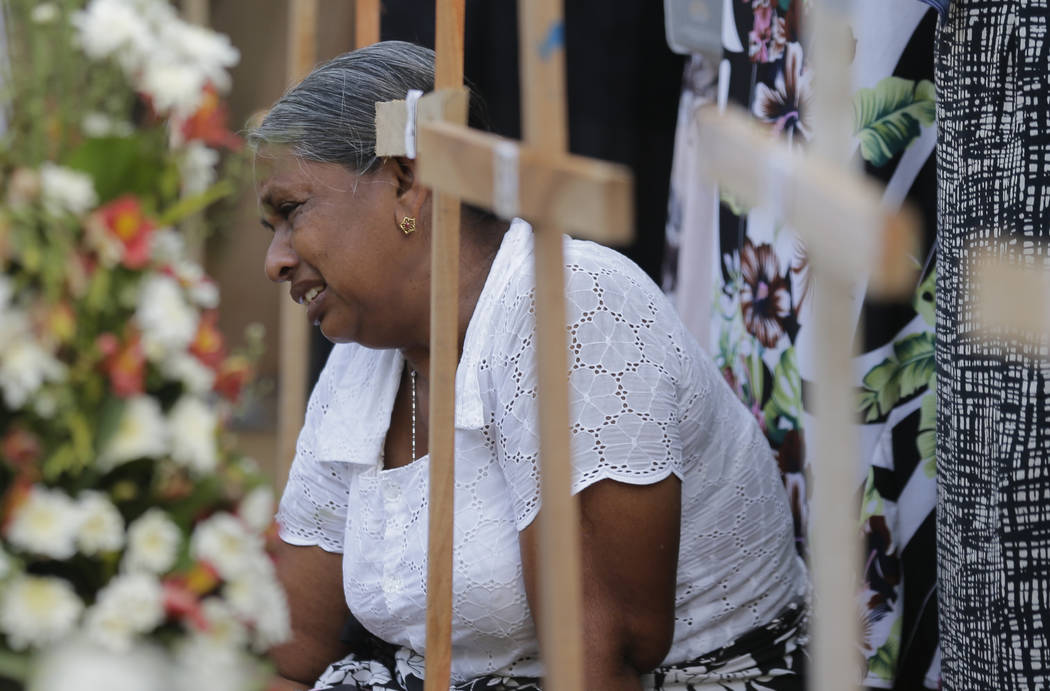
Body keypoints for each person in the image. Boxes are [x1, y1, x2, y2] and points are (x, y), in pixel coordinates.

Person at [250, 41, 808, 691]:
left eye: (291, 212)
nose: (275, 260)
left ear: (407, 179)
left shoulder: (574, 307)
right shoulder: (362, 358)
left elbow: (603, 664)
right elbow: (289, 653)